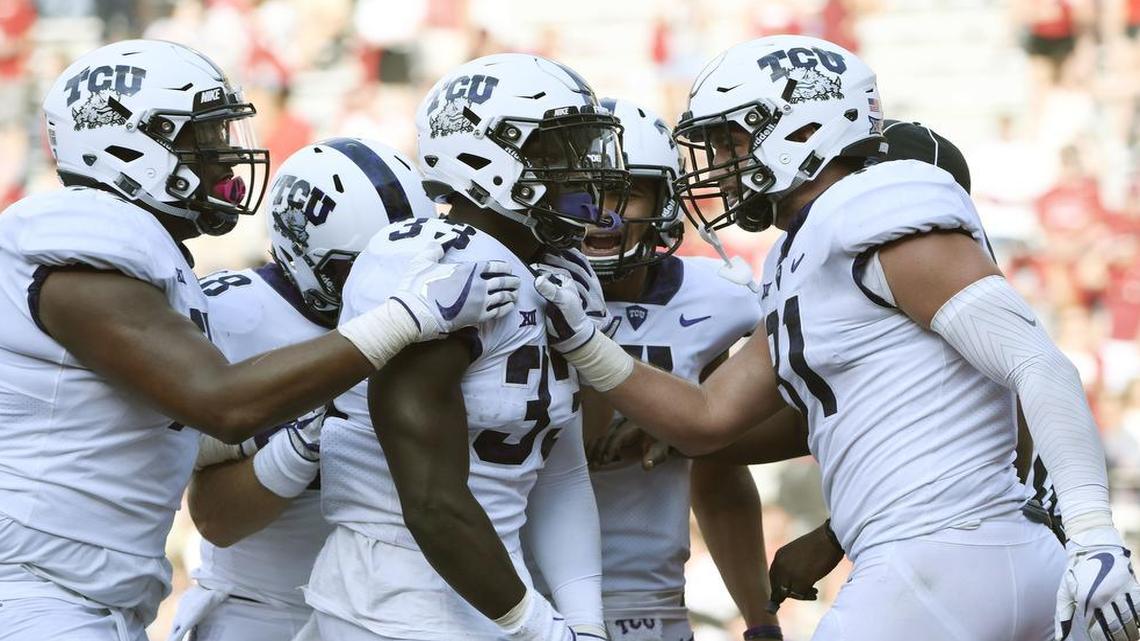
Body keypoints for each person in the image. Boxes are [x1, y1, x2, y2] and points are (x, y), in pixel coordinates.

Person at [534, 35, 1140, 641]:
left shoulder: (874, 206)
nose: (719, 162)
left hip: (938, 558)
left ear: (802, 130)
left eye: (731, 140)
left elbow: (1037, 364)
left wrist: (1094, 535)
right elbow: (709, 417)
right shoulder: (806, 248)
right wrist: (586, 341)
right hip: (939, 556)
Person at [0, 40, 516, 641]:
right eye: (206, 139)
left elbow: (186, 436)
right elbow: (223, 404)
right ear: (127, 143)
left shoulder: (147, 255)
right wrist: (406, 316)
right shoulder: (83, 241)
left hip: (83, 590)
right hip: (36, 586)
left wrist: (318, 428)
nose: (227, 160)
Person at [304, 53, 629, 641]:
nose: (584, 170)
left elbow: (558, 472)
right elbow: (430, 502)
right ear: (488, 156)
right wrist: (542, 631)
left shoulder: (554, 271)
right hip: (390, 606)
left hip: (494, 594)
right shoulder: (435, 263)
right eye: (563, 150)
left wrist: (584, 623)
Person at [166, 137, 438, 641]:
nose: (382, 288)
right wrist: (304, 438)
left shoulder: (448, 304)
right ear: (301, 248)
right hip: (263, 611)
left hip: (406, 612)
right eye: (356, 269)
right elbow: (214, 518)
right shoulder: (231, 314)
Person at [569, 96, 781, 641]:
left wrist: (760, 619)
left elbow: (718, 466)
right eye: (585, 191)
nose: (603, 212)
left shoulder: (716, 301)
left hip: (647, 597)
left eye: (625, 191)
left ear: (663, 200)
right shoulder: (507, 289)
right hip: (510, 589)